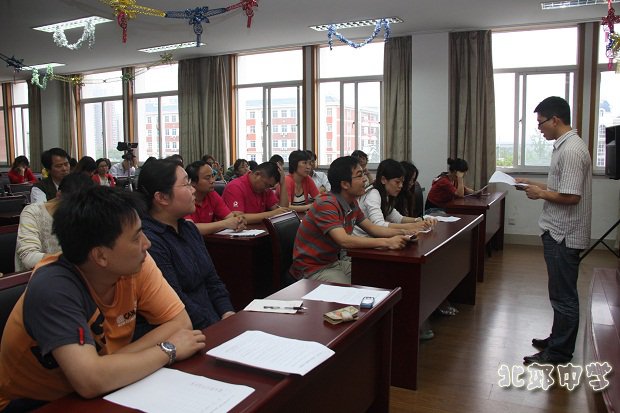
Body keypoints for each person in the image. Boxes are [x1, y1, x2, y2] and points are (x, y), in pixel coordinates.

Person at [0, 186, 206, 411]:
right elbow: (90, 381)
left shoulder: (137, 263)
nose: (147, 243)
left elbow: (180, 323)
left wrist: (104, 366)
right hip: (33, 403)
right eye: (136, 237)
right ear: (100, 256)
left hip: (105, 388)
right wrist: (167, 350)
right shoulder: (53, 287)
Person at [515, 96, 592, 365]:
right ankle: (557, 339)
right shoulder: (566, 146)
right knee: (559, 293)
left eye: (541, 123)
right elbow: (561, 187)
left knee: (563, 296)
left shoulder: (570, 150)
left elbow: (571, 197)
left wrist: (540, 194)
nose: (539, 129)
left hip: (564, 234)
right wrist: (532, 184)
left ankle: (559, 352)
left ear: (555, 120)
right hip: (559, 231)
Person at [137, 159, 236, 331]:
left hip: (214, 322)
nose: (193, 190)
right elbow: (176, 301)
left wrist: (227, 312)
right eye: (186, 184)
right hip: (189, 331)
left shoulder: (189, 229)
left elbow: (212, 281)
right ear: (162, 197)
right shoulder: (149, 241)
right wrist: (217, 327)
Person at [290, 156, 411, 284]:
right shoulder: (326, 204)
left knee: (379, 275)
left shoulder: (352, 203)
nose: (365, 179)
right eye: (359, 175)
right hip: (311, 269)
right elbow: (344, 240)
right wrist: (387, 242)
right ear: (345, 184)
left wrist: (406, 233)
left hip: (332, 263)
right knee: (352, 289)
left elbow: (373, 228)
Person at [15, 173, 96, 272]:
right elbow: (29, 258)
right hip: (37, 274)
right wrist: (75, 260)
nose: (76, 210)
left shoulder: (83, 212)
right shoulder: (32, 213)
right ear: (59, 194)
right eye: (73, 204)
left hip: (72, 272)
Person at [353, 159, 433, 237]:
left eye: (402, 182)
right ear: (383, 180)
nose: (401, 186)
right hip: (362, 239)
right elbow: (379, 224)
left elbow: (398, 218)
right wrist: (412, 226)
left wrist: (418, 220)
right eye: (397, 182)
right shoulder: (373, 194)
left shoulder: (385, 195)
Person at [185, 160, 246, 235]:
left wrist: (238, 222)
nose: (213, 181)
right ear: (192, 182)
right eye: (207, 178)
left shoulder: (212, 194)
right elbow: (190, 229)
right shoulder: (184, 198)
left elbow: (230, 217)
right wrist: (225, 224)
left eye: (213, 176)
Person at [222, 161, 290, 224]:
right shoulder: (235, 186)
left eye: (270, 186)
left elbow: (282, 211)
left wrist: (283, 183)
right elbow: (238, 218)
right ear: (257, 174)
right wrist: (272, 214)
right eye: (266, 184)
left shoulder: (266, 189)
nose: (267, 188)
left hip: (260, 230)